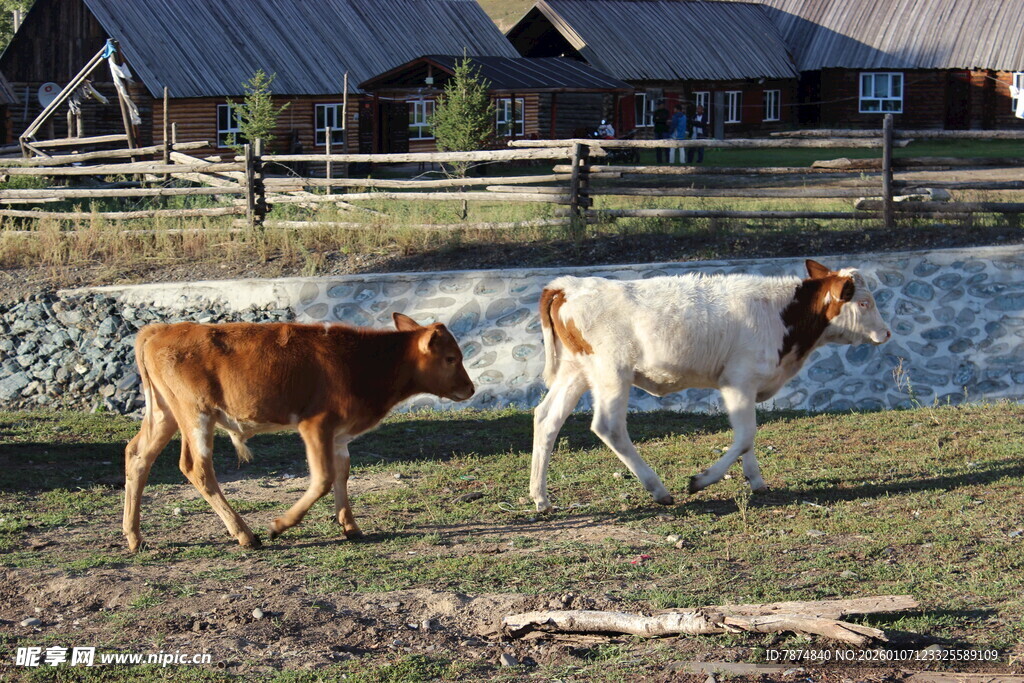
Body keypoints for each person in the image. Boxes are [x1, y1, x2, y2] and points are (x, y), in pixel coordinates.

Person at [652, 99, 670, 163]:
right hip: (657, 131)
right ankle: (659, 160)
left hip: (664, 131)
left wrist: (659, 119)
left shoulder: (666, 112)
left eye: (660, 104)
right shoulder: (656, 112)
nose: (659, 106)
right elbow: (654, 120)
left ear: (663, 105)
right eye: (658, 105)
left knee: (666, 146)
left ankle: (667, 160)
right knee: (658, 146)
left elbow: (665, 119)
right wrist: (661, 120)